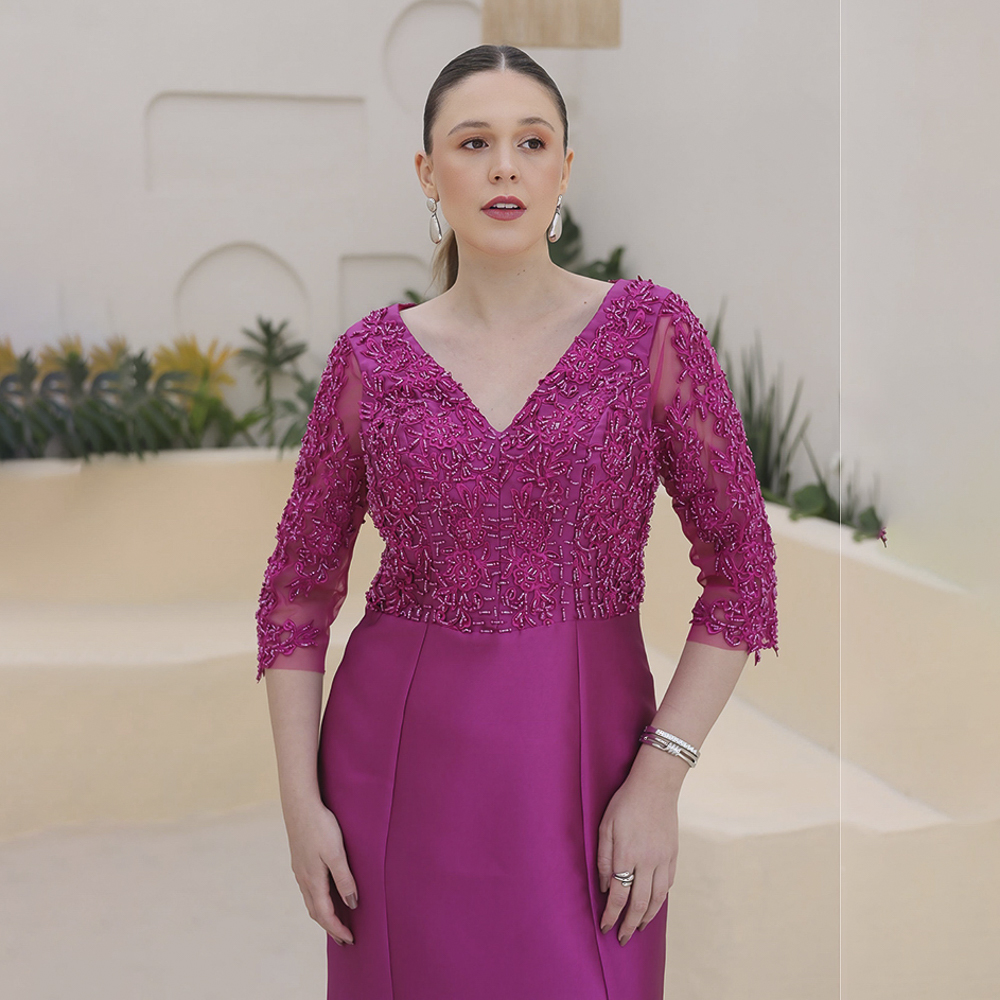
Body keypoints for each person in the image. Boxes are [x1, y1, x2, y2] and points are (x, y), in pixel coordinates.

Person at [255, 43, 778, 1000]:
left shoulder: (649, 333)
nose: (505, 167)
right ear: (427, 172)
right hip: (395, 768)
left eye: (532, 142)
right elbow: (297, 594)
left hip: (589, 768)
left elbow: (742, 566)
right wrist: (300, 803)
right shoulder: (369, 360)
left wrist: (661, 774)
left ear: (564, 168)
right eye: (474, 142)